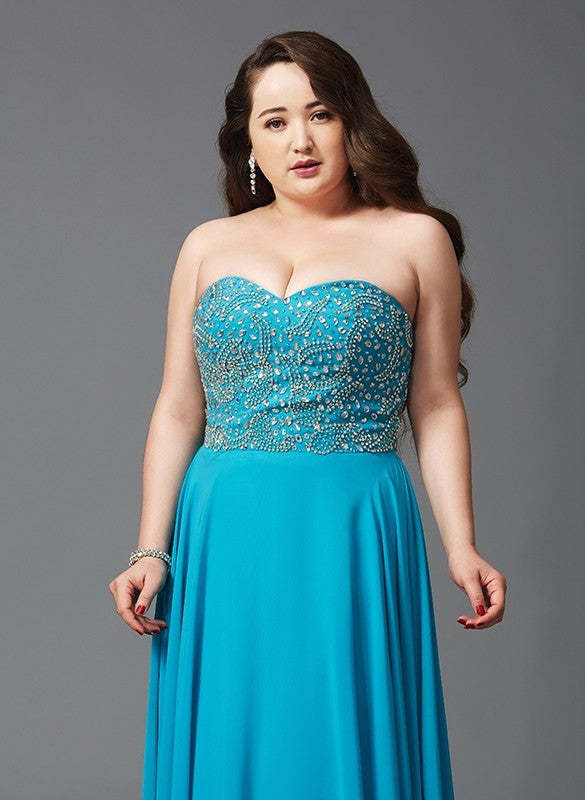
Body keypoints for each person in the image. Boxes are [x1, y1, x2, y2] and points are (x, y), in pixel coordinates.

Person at [108, 30, 507, 800]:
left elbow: (435, 403)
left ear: (352, 121)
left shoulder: (415, 239)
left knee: (337, 732)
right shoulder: (207, 246)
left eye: (320, 114)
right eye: (276, 120)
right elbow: (178, 407)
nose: (301, 140)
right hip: (222, 528)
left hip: (350, 522)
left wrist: (461, 546)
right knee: (233, 730)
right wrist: (150, 550)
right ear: (248, 142)